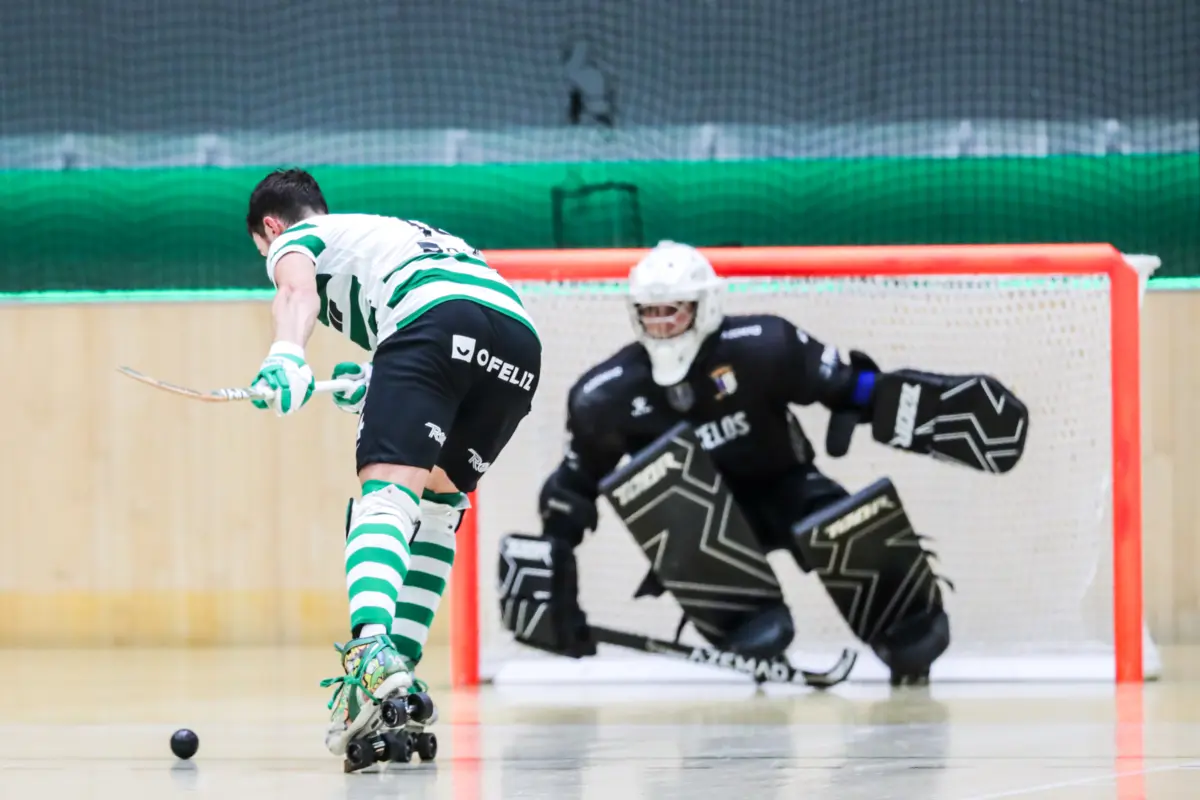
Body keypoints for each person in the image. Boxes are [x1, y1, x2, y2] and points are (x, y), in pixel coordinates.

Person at [500, 240, 1027, 685]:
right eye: (650, 313)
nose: (661, 324)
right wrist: (553, 567)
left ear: (702, 307)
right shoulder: (605, 394)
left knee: (850, 526)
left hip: (787, 486)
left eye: (673, 310)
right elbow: (576, 484)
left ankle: (907, 629)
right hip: (696, 521)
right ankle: (746, 620)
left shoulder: (763, 346)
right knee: (655, 488)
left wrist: (913, 405)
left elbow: (846, 386)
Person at [244, 168, 541, 755]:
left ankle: (370, 651)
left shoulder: (296, 237)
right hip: (518, 343)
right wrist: (376, 378)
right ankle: (398, 681)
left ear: (271, 226)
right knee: (436, 506)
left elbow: (296, 292)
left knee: (385, 495)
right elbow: (438, 314)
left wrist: (286, 357)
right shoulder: (390, 233)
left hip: (434, 322)